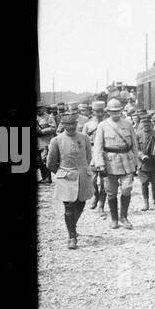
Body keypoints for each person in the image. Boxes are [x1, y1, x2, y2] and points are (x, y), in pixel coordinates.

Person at [46, 112, 92, 249]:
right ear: (63, 125)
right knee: (69, 207)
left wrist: (82, 170)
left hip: (82, 176)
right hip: (66, 177)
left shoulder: (84, 138)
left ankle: (72, 225)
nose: (71, 127)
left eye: (73, 124)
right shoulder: (57, 140)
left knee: (81, 204)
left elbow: (88, 158)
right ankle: (72, 237)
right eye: (68, 124)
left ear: (77, 124)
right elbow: (50, 163)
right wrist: (62, 173)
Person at [92, 98, 139, 229]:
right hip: (110, 163)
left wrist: (136, 162)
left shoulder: (128, 124)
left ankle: (123, 217)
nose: (115, 113)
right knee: (111, 191)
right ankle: (114, 218)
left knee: (127, 189)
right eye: (112, 111)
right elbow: (97, 147)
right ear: (108, 112)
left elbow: (134, 144)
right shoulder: (103, 126)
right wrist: (100, 164)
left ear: (121, 111)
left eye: (117, 111)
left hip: (127, 161)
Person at [135, 114, 155, 211]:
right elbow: (135, 149)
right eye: (144, 123)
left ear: (150, 123)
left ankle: (154, 201)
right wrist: (141, 156)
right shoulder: (138, 134)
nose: (146, 125)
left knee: (154, 183)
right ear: (141, 124)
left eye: (147, 123)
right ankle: (145, 202)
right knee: (144, 183)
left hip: (154, 163)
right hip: (143, 164)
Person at [82, 100, 107, 213]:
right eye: (97, 111)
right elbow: (82, 141)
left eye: (102, 111)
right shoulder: (88, 124)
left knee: (104, 181)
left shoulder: (108, 123)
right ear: (93, 111)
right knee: (92, 180)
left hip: (105, 153)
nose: (100, 114)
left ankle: (101, 204)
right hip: (92, 153)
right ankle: (95, 196)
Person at [35, 104, 57, 184]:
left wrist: (41, 131)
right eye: (37, 108)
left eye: (40, 108)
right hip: (37, 143)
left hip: (46, 142)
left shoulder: (49, 117)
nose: (38, 110)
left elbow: (53, 128)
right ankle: (44, 177)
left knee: (44, 159)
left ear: (43, 108)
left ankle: (48, 178)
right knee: (39, 161)